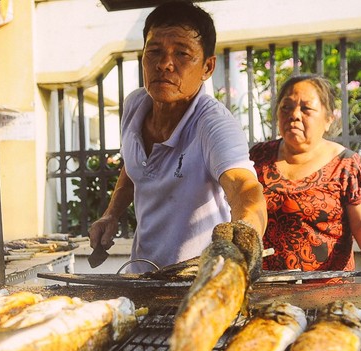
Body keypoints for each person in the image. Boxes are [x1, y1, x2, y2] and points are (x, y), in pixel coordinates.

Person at [88, 1, 267, 274]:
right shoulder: (135, 105)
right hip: (141, 275)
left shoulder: (213, 123)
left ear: (207, 67)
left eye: (182, 54)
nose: (164, 65)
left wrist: (244, 236)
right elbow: (133, 166)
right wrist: (111, 214)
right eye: (154, 52)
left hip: (197, 280)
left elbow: (243, 188)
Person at [249, 74, 361, 282]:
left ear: (328, 119)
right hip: (266, 289)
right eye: (286, 107)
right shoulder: (256, 158)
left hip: (329, 293)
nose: (294, 115)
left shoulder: (347, 166)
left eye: (306, 109)